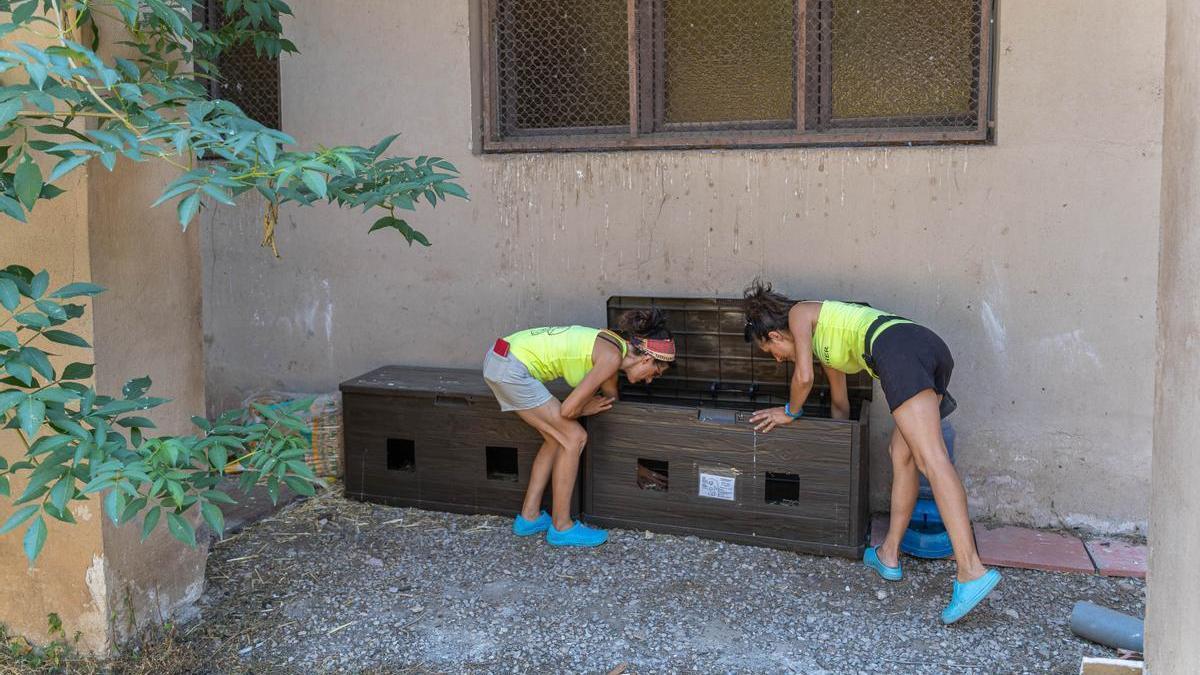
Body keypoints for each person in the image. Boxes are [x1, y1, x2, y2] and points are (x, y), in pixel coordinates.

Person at [742, 280, 1001, 624]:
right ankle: (889, 554)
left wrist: (789, 412)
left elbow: (802, 378)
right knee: (902, 453)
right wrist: (835, 449)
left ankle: (971, 570)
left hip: (900, 349)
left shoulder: (801, 313)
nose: (777, 360)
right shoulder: (825, 337)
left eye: (771, 353)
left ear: (774, 337)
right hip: (922, 348)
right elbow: (839, 402)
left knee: (931, 458)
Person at [482, 311, 675, 547]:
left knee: (556, 439)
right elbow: (568, 411)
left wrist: (634, 460)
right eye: (655, 373)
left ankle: (529, 517)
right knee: (574, 437)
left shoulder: (613, 347)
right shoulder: (612, 358)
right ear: (645, 359)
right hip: (511, 369)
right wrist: (585, 408)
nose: (649, 381)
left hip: (500, 358)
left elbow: (612, 402)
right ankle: (562, 527)